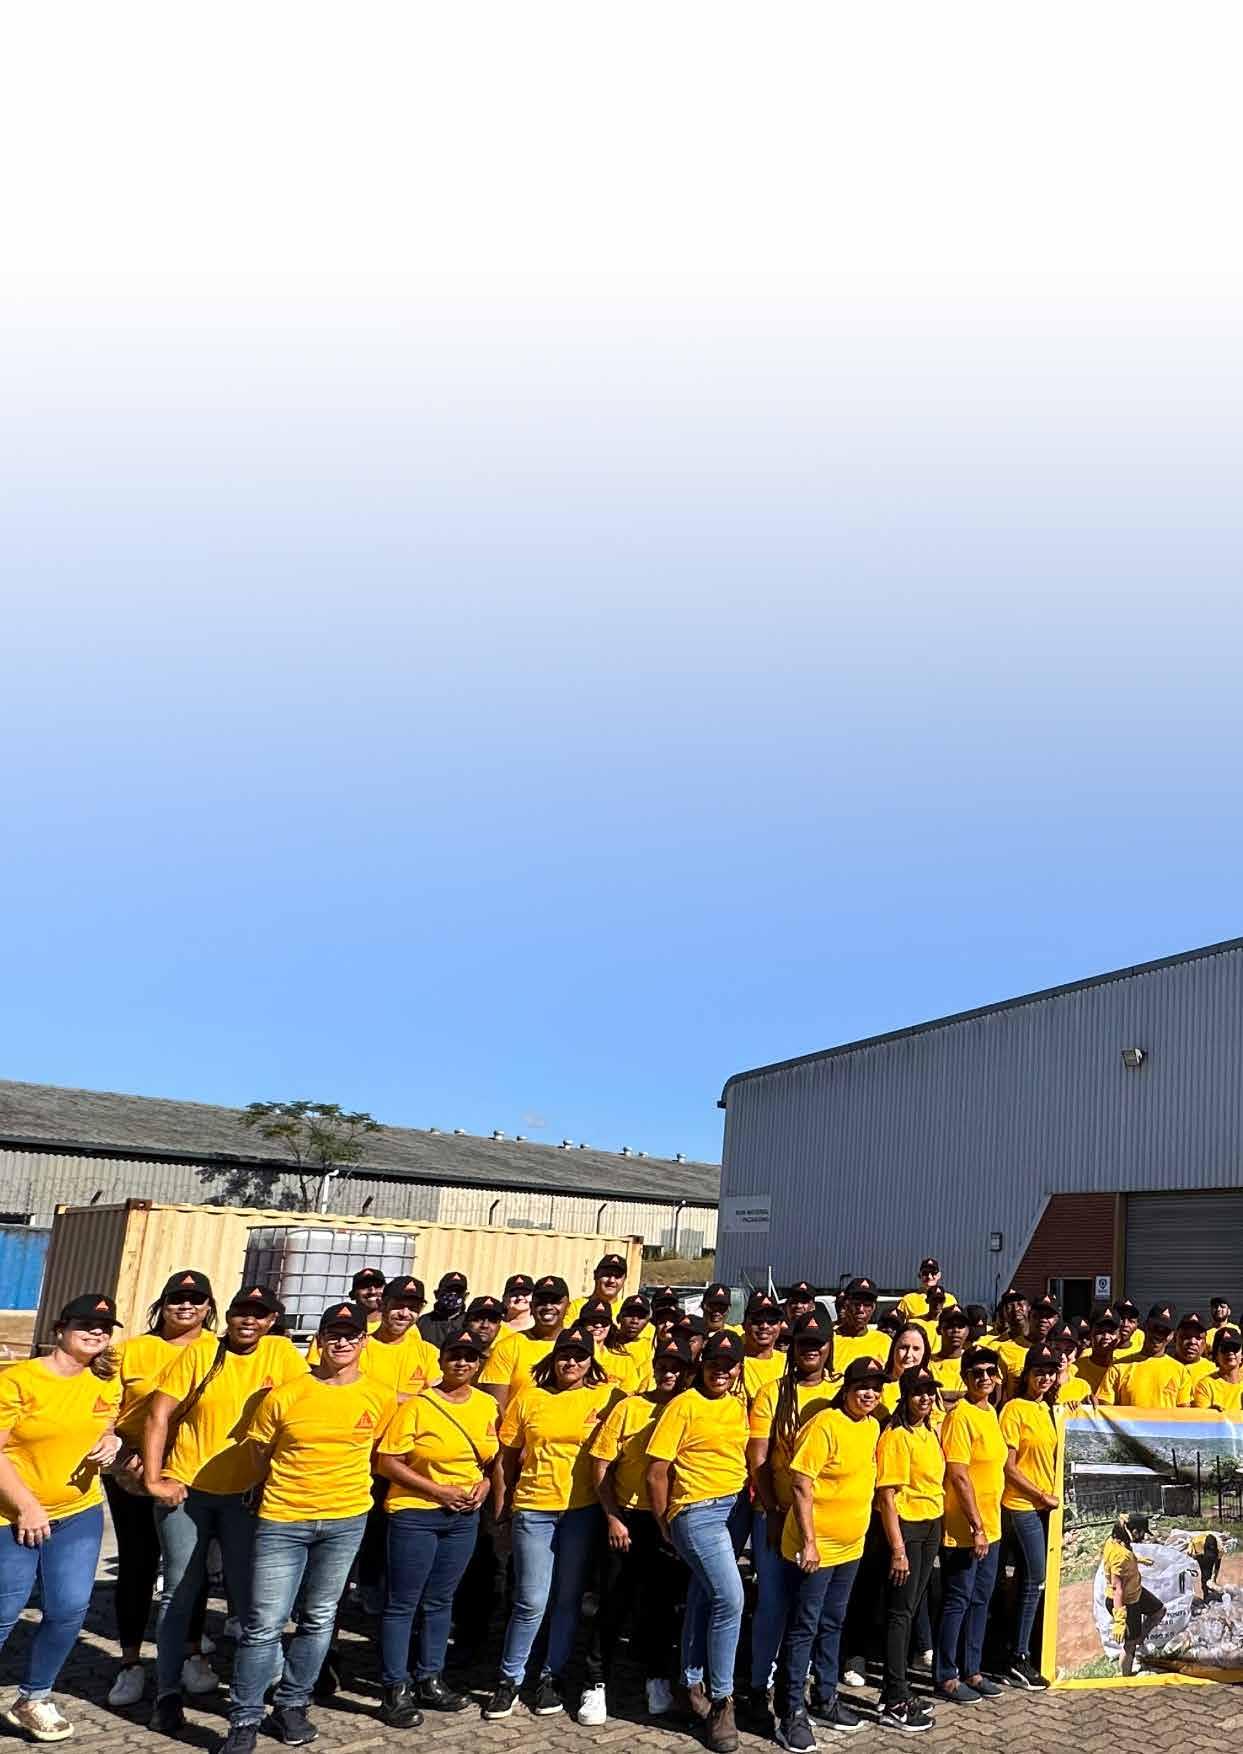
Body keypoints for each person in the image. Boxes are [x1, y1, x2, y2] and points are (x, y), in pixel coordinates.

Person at [216, 1301, 397, 1754]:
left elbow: (381, 1452)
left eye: (351, 1335)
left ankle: (292, 1704)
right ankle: (244, 1718)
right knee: (265, 1624)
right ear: (319, 1340)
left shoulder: (379, 1396)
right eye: (333, 1334)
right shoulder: (286, 1394)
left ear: (363, 1342)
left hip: (346, 1520)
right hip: (284, 1519)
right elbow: (259, 1454)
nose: (342, 1342)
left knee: (319, 1619)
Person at [143, 1283, 307, 1735]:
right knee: (179, 1593)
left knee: (253, 1598)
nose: (248, 1320)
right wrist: (154, 1479)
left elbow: (304, 1411)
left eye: (259, 1313)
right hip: (188, 1491)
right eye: (241, 1311)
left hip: (247, 1498)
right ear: (228, 1315)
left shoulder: (282, 1355)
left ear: (272, 1321)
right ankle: (167, 1693)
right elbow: (158, 1415)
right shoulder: (200, 1353)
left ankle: (266, 1688)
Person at [0, 1293, 123, 1743]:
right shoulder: (19, 1381)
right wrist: (26, 1505)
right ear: (60, 1330)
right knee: (5, 1610)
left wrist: (112, 1442)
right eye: (85, 1325)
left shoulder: (105, 1382)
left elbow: (104, 1426)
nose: (95, 1332)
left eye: (104, 1328)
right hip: (11, 1514)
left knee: (69, 1608)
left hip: (77, 1513)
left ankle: (34, 1698)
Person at [483, 1324, 616, 1723]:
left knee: (568, 1599)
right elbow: (505, 1459)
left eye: (579, 1356)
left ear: (591, 1361)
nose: (571, 1362)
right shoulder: (530, 1397)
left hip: (581, 1511)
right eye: (564, 1355)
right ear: (553, 1359)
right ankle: (509, 1678)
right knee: (531, 1600)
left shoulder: (606, 1397)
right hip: (534, 1507)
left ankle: (550, 1676)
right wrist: (501, 1509)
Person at [104, 1270, 220, 1708]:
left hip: (192, 1470)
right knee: (137, 1564)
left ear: (209, 1307)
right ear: (162, 1305)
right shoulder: (130, 1350)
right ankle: (130, 1662)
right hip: (132, 1470)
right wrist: (119, 1452)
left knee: (189, 1567)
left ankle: (192, 1654)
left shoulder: (221, 1350)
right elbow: (104, 1409)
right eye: (176, 1298)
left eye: (196, 1299)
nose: (185, 1306)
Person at [374, 1329, 499, 1725]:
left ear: (479, 1364)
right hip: (415, 1512)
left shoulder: (487, 1405)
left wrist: (485, 1486)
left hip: (462, 1517)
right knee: (403, 1602)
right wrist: (437, 1491)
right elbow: (387, 1461)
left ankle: (430, 1677)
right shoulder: (418, 1405)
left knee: (441, 1600)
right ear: (441, 1361)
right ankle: (394, 1687)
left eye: (470, 1357)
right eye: (454, 1356)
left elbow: (490, 1461)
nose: (462, 1363)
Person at [646, 1330, 750, 1754]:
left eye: (728, 1365)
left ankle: (691, 1684)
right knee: (730, 1598)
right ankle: (723, 1701)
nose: (720, 1372)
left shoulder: (738, 1405)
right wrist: (665, 1523)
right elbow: (656, 1472)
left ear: (738, 1369)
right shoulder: (683, 1405)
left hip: (735, 1507)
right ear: (701, 1366)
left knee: (705, 1596)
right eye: (713, 1364)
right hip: (697, 1510)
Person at [773, 1355, 883, 1748]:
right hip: (815, 1548)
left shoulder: (871, 1426)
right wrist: (809, 1542)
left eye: (876, 1388)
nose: (869, 1394)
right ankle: (789, 1712)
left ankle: (824, 1697)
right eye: (862, 1386)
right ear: (847, 1389)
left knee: (833, 1622)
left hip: (851, 1547)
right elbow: (801, 1483)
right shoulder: (824, 1425)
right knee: (804, 1625)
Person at [590, 1334, 696, 1719]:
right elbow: (601, 1465)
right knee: (613, 1601)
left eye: (676, 1368)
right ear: (653, 1368)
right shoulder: (629, 1408)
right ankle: (595, 1682)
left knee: (661, 1606)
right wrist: (613, 1516)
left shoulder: (691, 1406)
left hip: (671, 1519)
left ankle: (656, 1677)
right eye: (663, 1366)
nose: (669, 1374)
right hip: (629, 1517)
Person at [744, 1310, 836, 1727]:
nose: (810, 1351)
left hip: (826, 1522)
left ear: (829, 1348)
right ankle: (759, 1685)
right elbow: (759, 1459)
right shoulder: (772, 1393)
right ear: (792, 1347)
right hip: (778, 1515)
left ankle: (803, 1682)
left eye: (818, 1344)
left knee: (814, 1610)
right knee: (773, 1604)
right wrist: (773, 1511)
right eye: (803, 1344)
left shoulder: (839, 1392)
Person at [935, 1346, 1007, 1706]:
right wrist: (976, 1526)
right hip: (966, 1528)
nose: (984, 1378)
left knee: (980, 1599)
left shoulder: (990, 1411)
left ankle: (972, 1670)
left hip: (991, 1526)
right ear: (965, 1378)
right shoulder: (959, 1416)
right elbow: (959, 1475)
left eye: (989, 1372)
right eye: (976, 1372)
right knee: (958, 1600)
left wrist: (987, 1527)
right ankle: (946, 1675)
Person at [874, 1366, 944, 1734]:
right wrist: (898, 1549)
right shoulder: (896, 1436)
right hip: (907, 1529)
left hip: (930, 1524)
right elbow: (887, 1496)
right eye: (918, 1391)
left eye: (930, 1391)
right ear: (905, 1395)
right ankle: (894, 1699)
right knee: (900, 1613)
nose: (926, 1397)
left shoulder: (928, 1430)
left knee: (912, 1608)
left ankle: (895, 1690)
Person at [999, 1347, 1059, 1690]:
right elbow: (1008, 1467)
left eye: (1050, 1371)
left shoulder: (1049, 1409)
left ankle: (1023, 1647)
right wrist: (1039, 1495)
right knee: (1035, 1578)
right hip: (1022, 1505)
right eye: (1039, 1371)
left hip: (1045, 1507)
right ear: (1027, 1374)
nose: (1045, 1377)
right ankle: (1017, 1658)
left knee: (1029, 1580)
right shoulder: (1014, 1409)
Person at [480, 1275, 569, 1414]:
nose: (548, 1307)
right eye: (541, 1302)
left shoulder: (584, 1347)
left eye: (555, 1301)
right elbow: (495, 1408)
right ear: (532, 1307)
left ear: (568, 1306)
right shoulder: (507, 1347)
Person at [1101, 1514, 1164, 1676]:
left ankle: (1138, 1638)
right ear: (1134, 1531)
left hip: (1135, 1592)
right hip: (1126, 1602)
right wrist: (1120, 1620)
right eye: (1142, 1533)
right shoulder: (1121, 1556)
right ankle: (1126, 1679)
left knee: (1159, 1611)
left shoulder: (1114, 1540)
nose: (1143, 1537)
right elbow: (1117, 1589)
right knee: (1129, 1646)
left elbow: (1123, 1554)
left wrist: (1138, 1560)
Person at [1097, 1304, 1189, 1408]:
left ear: (1172, 1335)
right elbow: (1104, 1409)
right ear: (1145, 1326)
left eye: (1165, 1331)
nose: (1158, 1334)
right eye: (1155, 1327)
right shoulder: (1118, 1367)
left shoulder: (1181, 1372)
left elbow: (1184, 1414)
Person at [577, 1298, 648, 1394]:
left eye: (604, 1322)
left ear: (610, 1326)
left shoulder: (624, 1361)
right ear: (581, 1324)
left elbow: (630, 1393)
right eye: (592, 1321)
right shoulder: (570, 1358)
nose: (598, 1325)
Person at [879, 1325, 934, 1419]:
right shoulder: (877, 1386)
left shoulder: (930, 1386)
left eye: (916, 1348)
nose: (908, 1355)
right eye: (903, 1347)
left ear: (925, 1353)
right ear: (893, 1349)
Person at [741, 1294, 786, 1405]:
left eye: (772, 1320)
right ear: (744, 1324)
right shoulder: (733, 1362)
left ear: (780, 1325)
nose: (764, 1326)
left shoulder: (789, 1362)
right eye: (757, 1320)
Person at [832, 1278, 882, 1371]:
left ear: (873, 1308)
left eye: (867, 1304)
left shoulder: (885, 1342)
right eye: (856, 1303)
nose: (861, 1310)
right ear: (845, 1305)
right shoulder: (829, 1340)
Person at [1072, 1307, 1122, 1398]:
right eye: (1100, 1332)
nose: (1106, 1337)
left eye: (1111, 1332)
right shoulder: (1074, 1369)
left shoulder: (1122, 1368)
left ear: (1119, 1336)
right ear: (1090, 1334)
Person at [567, 1254, 629, 1323]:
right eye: (607, 1274)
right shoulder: (576, 1307)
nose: (612, 1280)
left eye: (617, 1276)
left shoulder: (627, 1310)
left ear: (624, 1280)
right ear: (595, 1275)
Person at [896, 1258, 958, 1327]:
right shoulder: (908, 1300)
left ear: (939, 1275)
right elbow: (898, 1325)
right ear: (919, 1275)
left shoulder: (950, 1299)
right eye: (925, 1273)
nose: (929, 1276)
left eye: (933, 1273)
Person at [1192, 1327, 1243, 1410]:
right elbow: (1201, 1416)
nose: (1230, 1352)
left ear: (1242, 1354)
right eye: (1225, 1348)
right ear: (1216, 1355)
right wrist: (1210, 1413)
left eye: (1235, 1347)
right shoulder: (1205, 1385)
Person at [993, 1289, 1032, 1389]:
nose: (1016, 1309)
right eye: (1009, 1306)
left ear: (1029, 1307)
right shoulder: (995, 1346)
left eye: (1020, 1304)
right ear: (1004, 1312)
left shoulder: (1041, 1341)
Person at [931, 1305, 970, 1404]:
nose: (956, 1330)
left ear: (968, 1331)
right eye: (950, 1326)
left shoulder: (974, 1363)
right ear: (939, 1330)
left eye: (961, 1326)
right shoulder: (927, 1363)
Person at [418, 1273, 470, 1349]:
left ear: (465, 1296)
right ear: (436, 1294)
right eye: (448, 1290)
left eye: (458, 1291)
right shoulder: (422, 1323)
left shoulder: (470, 1322)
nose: (453, 1295)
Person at [1172, 1312, 1215, 1393]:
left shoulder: (1213, 1372)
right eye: (1186, 1336)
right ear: (1175, 1338)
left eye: (1198, 1338)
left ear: (1205, 1342)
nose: (1192, 1341)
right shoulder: (1162, 1367)